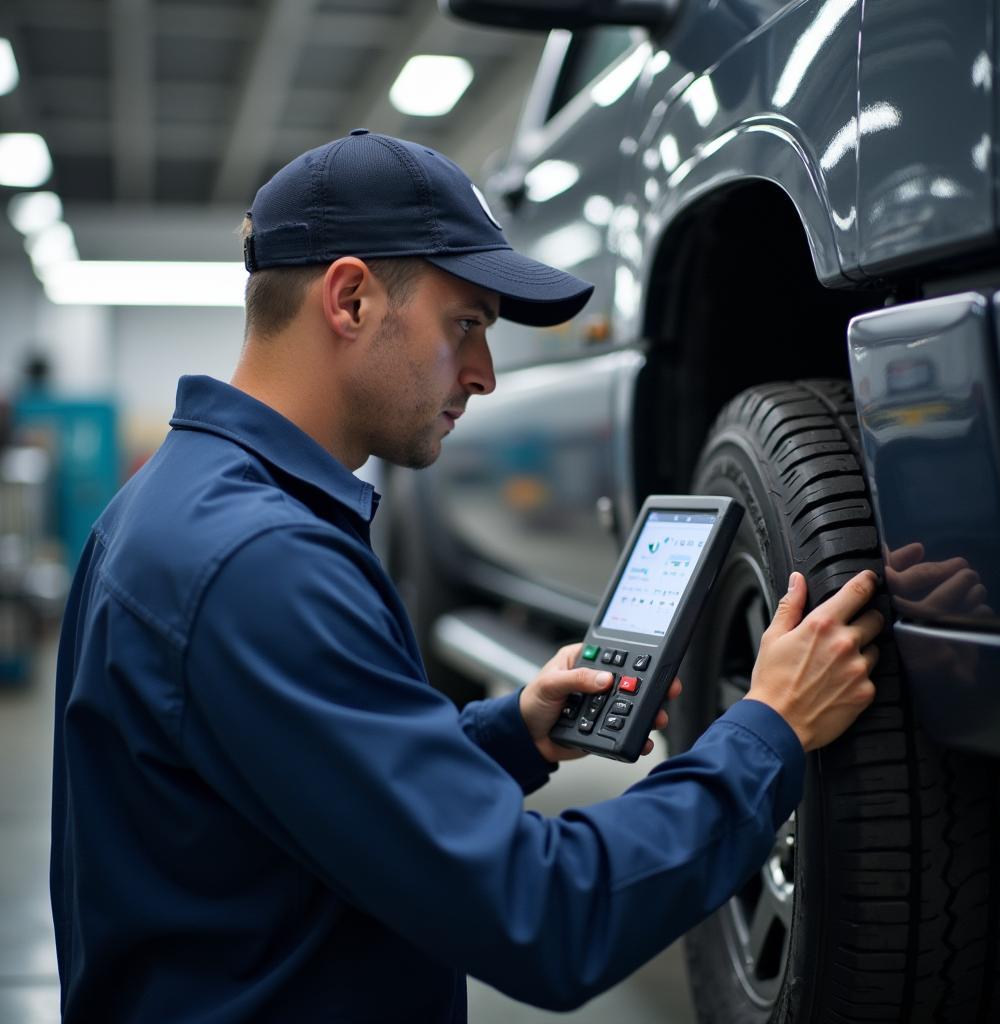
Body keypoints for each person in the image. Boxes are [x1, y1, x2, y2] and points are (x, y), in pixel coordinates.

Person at [50, 130, 883, 1022]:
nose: (484, 375)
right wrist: (767, 733)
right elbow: (546, 916)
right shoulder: (261, 566)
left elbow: (311, 780)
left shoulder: (174, 508)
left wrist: (510, 735)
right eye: (468, 326)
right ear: (351, 299)